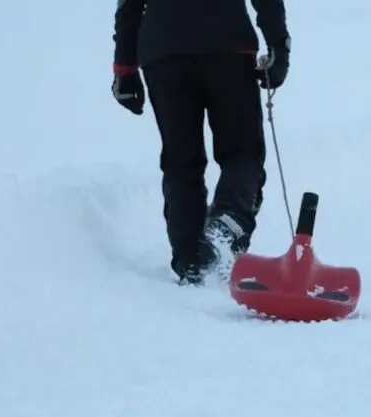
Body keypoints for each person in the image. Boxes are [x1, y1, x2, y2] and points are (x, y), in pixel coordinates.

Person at [112, 0, 291, 285]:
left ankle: (192, 261)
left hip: (164, 52)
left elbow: (129, 5)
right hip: (228, 46)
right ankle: (226, 224)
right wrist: (278, 45)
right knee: (242, 153)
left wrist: (125, 69)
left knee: (181, 162)